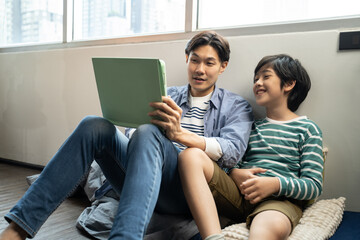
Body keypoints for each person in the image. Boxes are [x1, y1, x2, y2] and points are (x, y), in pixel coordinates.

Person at [0, 31, 253, 240]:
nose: (200, 69)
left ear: (223, 67)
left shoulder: (236, 106)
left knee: (151, 130)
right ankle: (17, 229)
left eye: (209, 63)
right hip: (145, 173)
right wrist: (140, 124)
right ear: (186, 59)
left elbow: (232, 151)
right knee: (94, 125)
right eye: (195, 60)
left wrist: (178, 135)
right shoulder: (166, 94)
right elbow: (133, 132)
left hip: (188, 190)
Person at [178, 54, 324, 240]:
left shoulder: (307, 129)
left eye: (266, 76)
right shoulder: (250, 126)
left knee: (266, 227)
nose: (257, 83)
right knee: (190, 156)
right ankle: (213, 237)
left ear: (288, 84)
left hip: (277, 202)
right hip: (238, 197)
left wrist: (275, 184)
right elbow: (231, 159)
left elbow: (314, 185)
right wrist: (234, 173)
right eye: (256, 79)